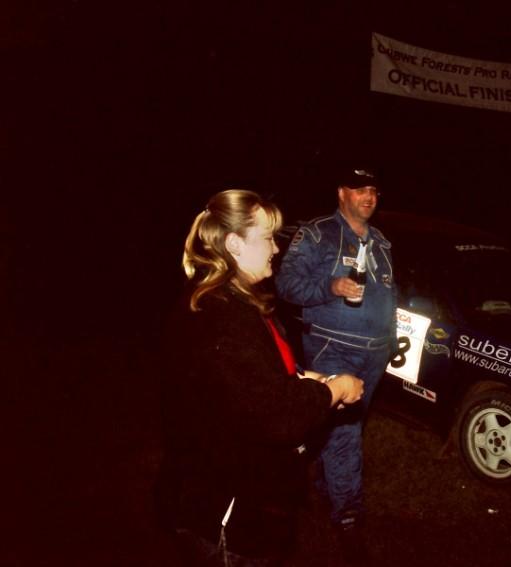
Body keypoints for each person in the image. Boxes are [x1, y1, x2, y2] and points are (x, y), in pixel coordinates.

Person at [156, 189, 365, 567]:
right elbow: (273, 414)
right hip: (226, 515)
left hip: (242, 500)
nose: (276, 249)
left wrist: (310, 376)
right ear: (234, 243)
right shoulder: (221, 317)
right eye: (267, 238)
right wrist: (335, 389)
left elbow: (257, 374)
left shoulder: (236, 300)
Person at [275, 166, 397, 560]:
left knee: (345, 424)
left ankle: (325, 486)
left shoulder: (381, 242)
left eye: (374, 190)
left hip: (375, 350)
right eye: (360, 189)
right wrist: (331, 286)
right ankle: (347, 516)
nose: (369, 196)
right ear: (342, 192)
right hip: (334, 346)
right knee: (345, 430)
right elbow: (287, 286)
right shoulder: (317, 233)